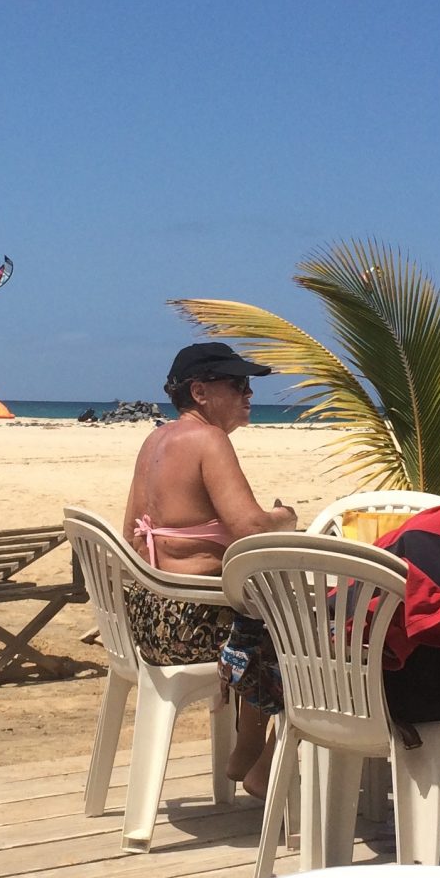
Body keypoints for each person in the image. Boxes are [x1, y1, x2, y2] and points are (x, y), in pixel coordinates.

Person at [123, 341, 298, 796]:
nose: (248, 394)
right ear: (199, 392)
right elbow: (253, 530)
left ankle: (252, 745)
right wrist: (285, 518)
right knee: (313, 638)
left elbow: (130, 534)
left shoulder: (154, 441)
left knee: (265, 613)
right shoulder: (208, 440)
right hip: (194, 624)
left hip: (150, 619)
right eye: (237, 384)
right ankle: (264, 757)